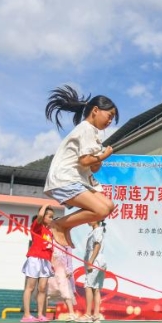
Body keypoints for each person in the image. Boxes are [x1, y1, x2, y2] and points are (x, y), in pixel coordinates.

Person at [43, 85, 118, 245]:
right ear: (96, 110)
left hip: (79, 179)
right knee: (102, 209)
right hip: (66, 178)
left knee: (108, 206)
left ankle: (65, 226)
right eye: (109, 115)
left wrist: (99, 158)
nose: (110, 121)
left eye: (112, 118)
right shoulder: (86, 129)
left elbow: (92, 167)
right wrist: (105, 155)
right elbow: (85, 161)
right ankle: (59, 225)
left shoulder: (94, 134)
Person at [22, 205, 55, 323]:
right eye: (50, 216)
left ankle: (40, 314)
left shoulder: (49, 232)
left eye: (52, 217)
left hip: (45, 261)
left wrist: (51, 263)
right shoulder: (37, 227)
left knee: (42, 288)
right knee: (30, 287)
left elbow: (50, 250)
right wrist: (45, 205)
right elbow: (40, 215)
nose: (51, 219)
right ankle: (26, 315)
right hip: (35, 259)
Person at [78, 220, 107, 323]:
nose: (88, 219)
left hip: (95, 261)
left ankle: (88, 314)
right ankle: (96, 315)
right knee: (96, 288)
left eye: (91, 217)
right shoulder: (96, 231)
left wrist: (91, 261)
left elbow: (97, 246)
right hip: (99, 261)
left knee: (89, 286)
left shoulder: (97, 230)